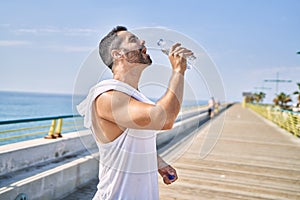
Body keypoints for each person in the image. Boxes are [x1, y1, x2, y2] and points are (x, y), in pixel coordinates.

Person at [77, 26, 193, 199]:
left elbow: (132, 139)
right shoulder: (107, 96)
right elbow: (164, 118)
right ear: (117, 54)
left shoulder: (135, 97)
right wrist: (178, 71)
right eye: (133, 40)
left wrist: (158, 162)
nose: (142, 42)